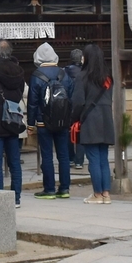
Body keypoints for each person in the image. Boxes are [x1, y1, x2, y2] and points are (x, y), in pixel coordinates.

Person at [71, 43, 116, 204]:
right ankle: (106, 193)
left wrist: (75, 119)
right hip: (106, 119)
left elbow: (78, 102)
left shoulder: (82, 76)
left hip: (90, 120)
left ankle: (97, 194)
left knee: (93, 159)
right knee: (103, 158)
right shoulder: (109, 77)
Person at [29, 43, 75, 200]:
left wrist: (30, 123)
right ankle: (64, 188)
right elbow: (71, 97)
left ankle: (49, 189)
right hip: (62, 121)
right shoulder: (64, 74)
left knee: (47, 155)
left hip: (43, 122)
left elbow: (32, 102)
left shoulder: (37, 75)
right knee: (63, 155)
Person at [0, 40, 27, 207]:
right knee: (14, 162)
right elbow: (19, 95)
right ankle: (16, 198)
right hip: (13, 121)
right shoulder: (19, 72)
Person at [68, 48, 86, 170]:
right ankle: (79, 160)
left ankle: (70, 158)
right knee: (80, 131)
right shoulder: (84, 73)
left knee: (68, 132)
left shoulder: (64, 72)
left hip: (67, 105)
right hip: (81, 104)